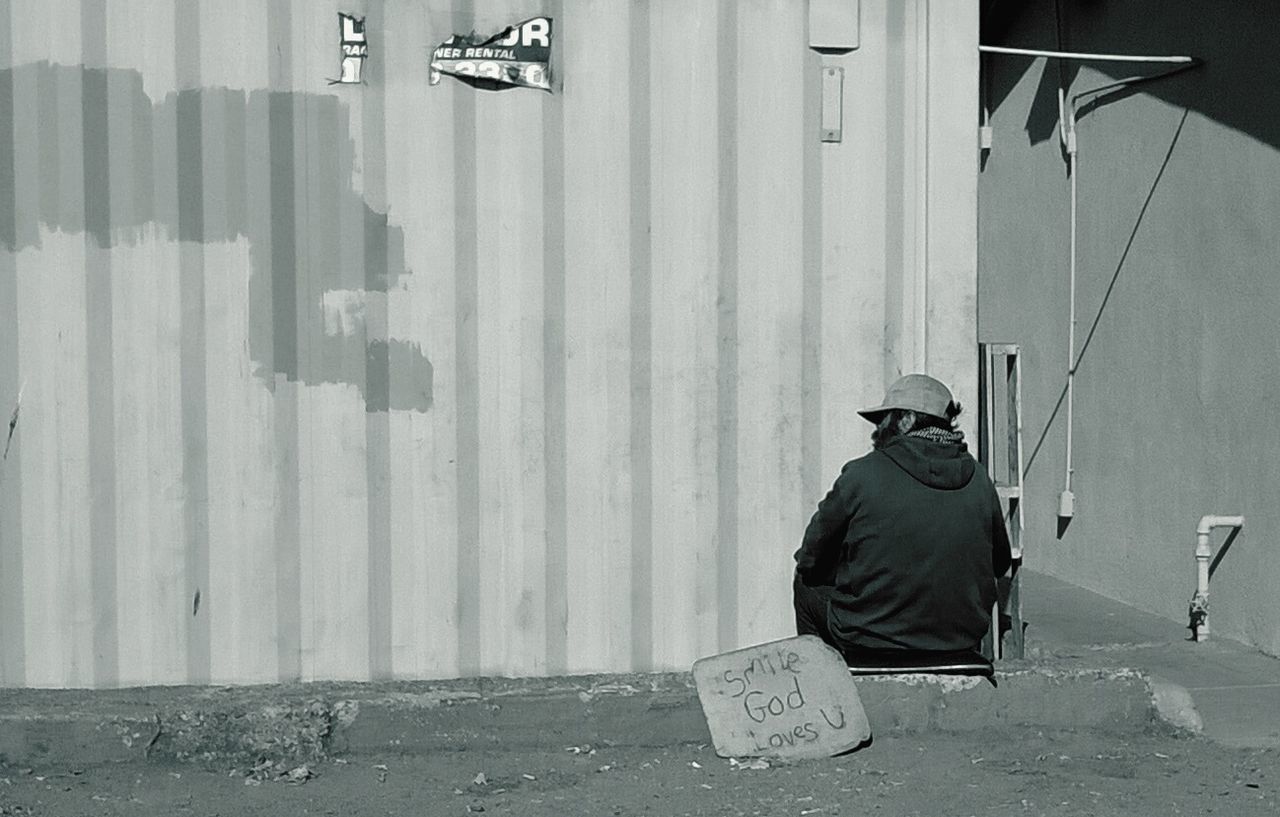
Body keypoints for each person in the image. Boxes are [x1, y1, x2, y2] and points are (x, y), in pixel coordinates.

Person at [793, 374, 1012, 663]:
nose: (879, 430)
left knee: (805, 585)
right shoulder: (980, 479)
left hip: (870, 640)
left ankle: (823, 693)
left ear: (907, 420)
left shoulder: (861, 475)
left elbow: (810, 558)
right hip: (960, 641)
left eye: (885, 420)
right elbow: (1001, 563)